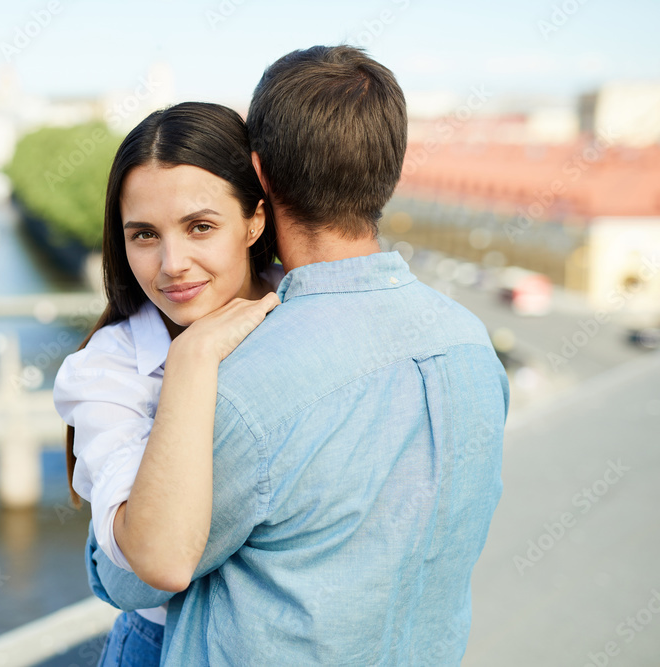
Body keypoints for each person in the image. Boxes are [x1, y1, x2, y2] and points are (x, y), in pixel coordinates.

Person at [84, 45, 510, 665]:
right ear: (390, 170)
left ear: (260, 176)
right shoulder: (471, 345)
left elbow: (134, 574)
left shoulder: (244, 387)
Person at [53, 101, 283, 666]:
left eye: (200, 227)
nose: (171, 263)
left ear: (255, 220)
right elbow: (161, 559)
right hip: (161, 648)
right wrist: (192, 359)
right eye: (144, 235)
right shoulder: (106, 367)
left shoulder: (306, 309)